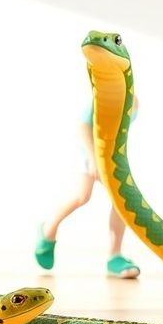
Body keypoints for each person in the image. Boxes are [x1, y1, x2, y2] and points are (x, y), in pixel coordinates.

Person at [34, 97, 141, 279]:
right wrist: (93, 159)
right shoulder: (100, 94)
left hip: (111, 155)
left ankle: (115, 255)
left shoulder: (132, 100)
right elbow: (83, 127)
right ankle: (48, 230)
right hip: (88, 151)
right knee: (82, 196)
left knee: (121, 201)